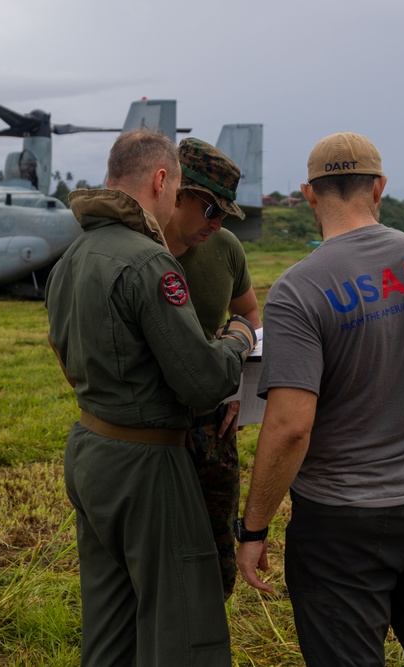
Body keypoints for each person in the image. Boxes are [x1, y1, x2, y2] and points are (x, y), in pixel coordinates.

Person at [234, 132, 404, 666]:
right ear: (380, 188)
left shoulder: (299, 290)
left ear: (307, 194)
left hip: (341, 523)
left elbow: (291, 426)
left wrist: (253, 526)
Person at [45, 128, 257, 667]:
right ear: (163, 180)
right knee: (185, 625)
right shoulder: (150, 263)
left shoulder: (72, 257)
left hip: (91, 448)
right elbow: (205, 381)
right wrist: (238, 338)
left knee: (111, 624)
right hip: (148, 465)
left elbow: (66, 357)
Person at [164, 137, 260, 600]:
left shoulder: (224, 248)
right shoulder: (134, 251)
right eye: (209, 210)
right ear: (175, 192)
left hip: (211, 426)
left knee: (216, 553)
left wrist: (240, 387)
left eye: (225, 213)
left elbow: (250, 317)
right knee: (158, 550)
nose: (218, 223)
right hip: (153, 427)